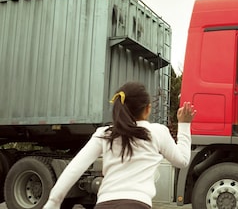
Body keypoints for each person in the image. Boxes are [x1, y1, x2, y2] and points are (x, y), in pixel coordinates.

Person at [43, 82, 196, 209]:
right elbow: (182, 161)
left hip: (104, 204)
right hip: (137, 204)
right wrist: (184, 125)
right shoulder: (157, 132)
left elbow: (74, 168)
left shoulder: (105, 133)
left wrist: (54, 201)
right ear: (147, 109)